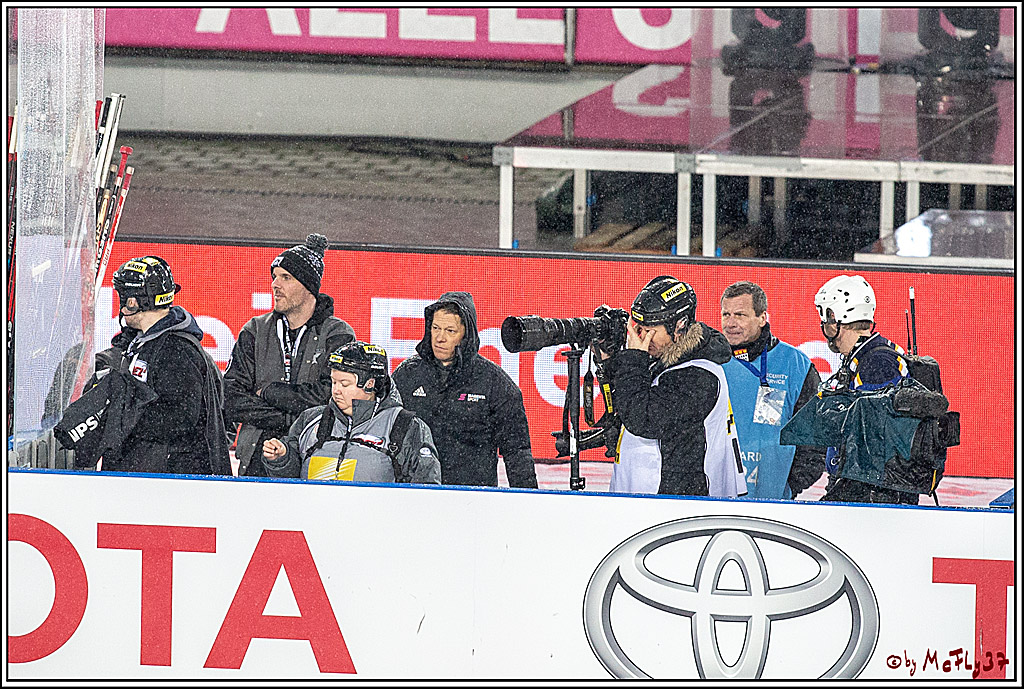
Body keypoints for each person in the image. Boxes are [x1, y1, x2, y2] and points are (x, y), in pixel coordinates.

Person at [599, 275, 746, 497]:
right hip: (649, 501)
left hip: (678, 507)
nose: (641, 338)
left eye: (649, 330)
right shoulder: (662, 361)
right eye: (637, 328)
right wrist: (609, 361)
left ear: (679, 326)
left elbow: (642, 419)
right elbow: (627, 408)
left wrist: (633, 359)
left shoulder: (698, 375)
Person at [223, 233, 355, 477]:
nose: (275, 284)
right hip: (257, 454)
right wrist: (286, 418)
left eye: (286, 277)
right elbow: (231, 398)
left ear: (308, 286)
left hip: (316, 454)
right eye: (274, 277)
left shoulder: (337, 334)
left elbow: (331, 396)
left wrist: (271, 392)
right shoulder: (255, 330)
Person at [86, 256, 231, 475]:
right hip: (149, 471)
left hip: (165, 478)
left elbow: (181, 418)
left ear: (133, 302)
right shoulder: (143, 341)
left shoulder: (176, 350)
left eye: (123, 297)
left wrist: (120, 417)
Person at [391, 291, 538, 488]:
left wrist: (527, 504)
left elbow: (517, 452)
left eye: (450, 331)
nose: (439, 338)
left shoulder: (495, 383)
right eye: (436, 328)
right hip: (414, 493)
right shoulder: (406, 375)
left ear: (465, 335)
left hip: (472, 497)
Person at [261, 341, 440, 485]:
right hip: (315, 524)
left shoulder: (405, 425)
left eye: (344, 384)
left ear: (370, 384)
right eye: (333, 382)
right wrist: (281, 458)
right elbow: (287, 485)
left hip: (377, 526)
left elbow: (426, 491)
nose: (336, 390)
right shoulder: (311, 419)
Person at [812, 273, 916, 505]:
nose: (824, 327)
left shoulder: (876, 363)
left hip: (871, 492)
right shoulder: (867, 356)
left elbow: (873, 438)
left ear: (837, 318)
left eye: (827, 320)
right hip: (863, 486)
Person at [720, 281, 825, 499]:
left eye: (740, 315)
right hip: (717, 497)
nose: (730, 323)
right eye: (725, 314)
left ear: (762, 318)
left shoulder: (796, 365)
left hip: (774, 502)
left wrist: (789, 486)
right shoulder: (711, 361)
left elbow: (814, 438)